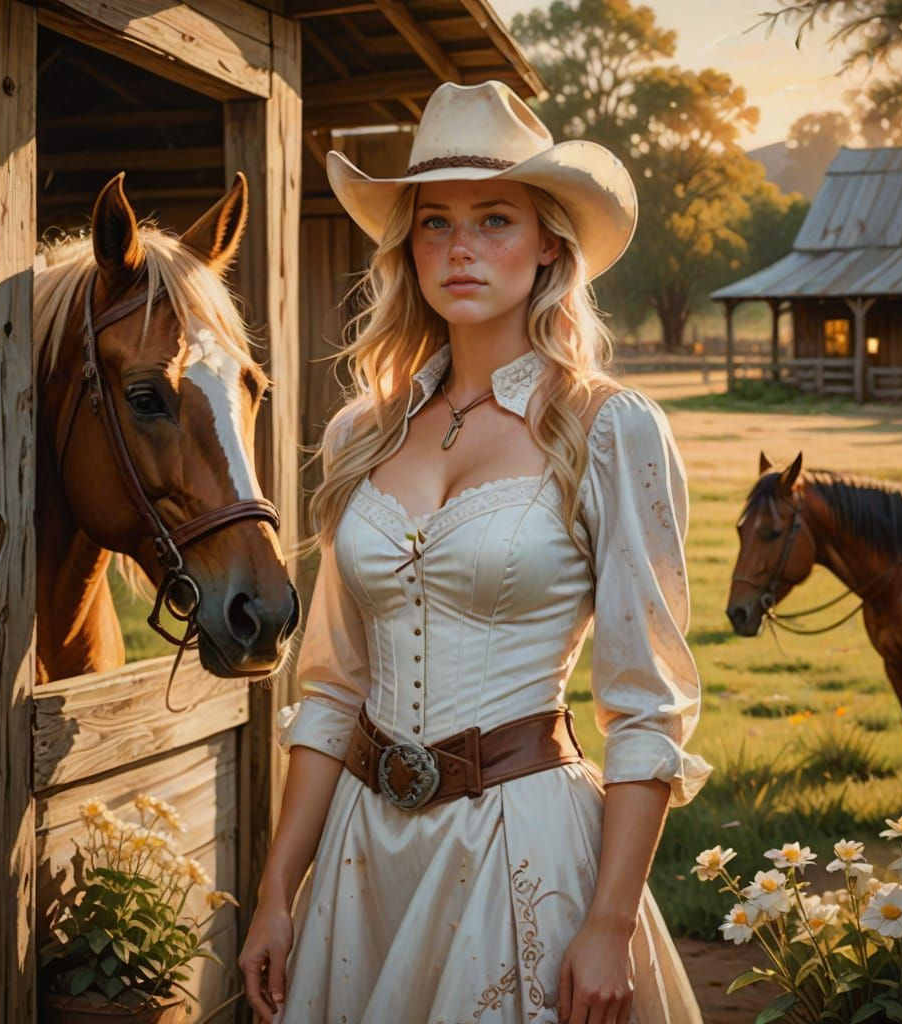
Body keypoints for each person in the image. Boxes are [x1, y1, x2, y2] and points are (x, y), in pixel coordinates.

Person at [239, 79, 713, 1024]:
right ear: (406, 247)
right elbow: (330, 690)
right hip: (362, 858)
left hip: (518, 849)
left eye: (494, 219)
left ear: (549, 246)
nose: (460, 248)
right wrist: (275, 894)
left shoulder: (605, 429)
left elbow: (647, 706)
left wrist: (609, 922)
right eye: (434, 222)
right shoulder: (358, 438)